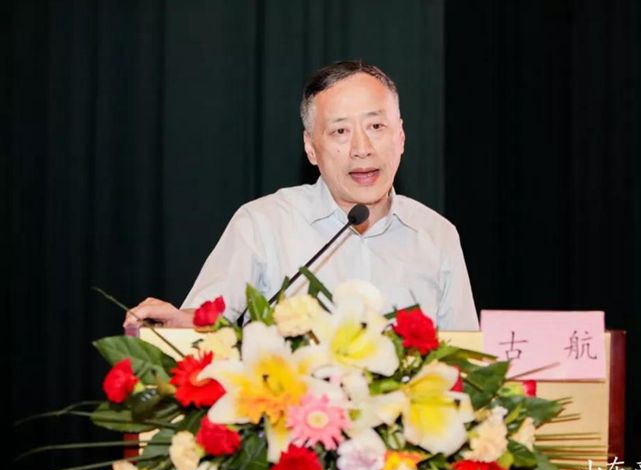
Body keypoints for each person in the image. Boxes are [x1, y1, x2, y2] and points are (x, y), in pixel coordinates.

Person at [124, 61, 478, 330]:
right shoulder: (263, 224)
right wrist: (177, 326)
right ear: (311, 147)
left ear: (400, 136)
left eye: (376, 126)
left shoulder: (437, 235)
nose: (362, 148)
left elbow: (465, 363)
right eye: (340, 131)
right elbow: (204, 324)